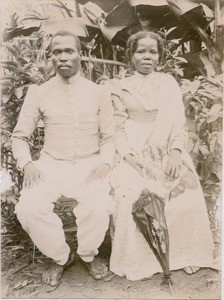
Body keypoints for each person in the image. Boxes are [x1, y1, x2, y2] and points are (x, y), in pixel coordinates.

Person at [11, 30, 115, 286]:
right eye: (56, 52)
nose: (63, 57)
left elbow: (110, 137)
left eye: (69, 51)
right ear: (50, 57)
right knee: (28, 208)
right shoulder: (39, 92)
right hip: (51, 166)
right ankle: (60, 257)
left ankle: (89, 256)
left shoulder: (98, 92)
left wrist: (104, 163)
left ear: (81, 55)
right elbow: (19, 136)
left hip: (90, 164)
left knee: (98, 206)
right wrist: (27, 164)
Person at [109, 31, 214, 281]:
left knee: (186, 192)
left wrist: (176, 153)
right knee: (133, 196)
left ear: (159, 56)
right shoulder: (119, 86)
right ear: (131, 56)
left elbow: (178, 123)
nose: (147, 56)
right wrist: (130, 157)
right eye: (141, 51)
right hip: (134, 153)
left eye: (152, 52)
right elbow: (116, 127)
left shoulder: (168, 83)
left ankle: (186, 254)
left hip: (167, 149)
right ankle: (142, 260)